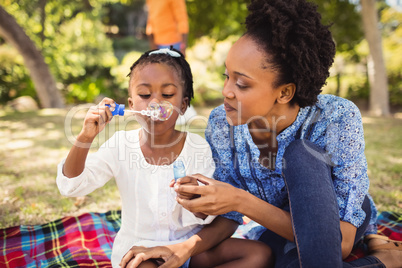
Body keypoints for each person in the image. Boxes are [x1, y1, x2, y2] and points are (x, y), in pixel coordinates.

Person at [120, 1, 402, 268]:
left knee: (301, 153)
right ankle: (383, 260)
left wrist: (240, 200)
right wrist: (184, 245)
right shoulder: (222, 123)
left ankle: (385, 257)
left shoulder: (336, 118)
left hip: (335, 225)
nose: (226, 91)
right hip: (278, 230)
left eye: (242, 84)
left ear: (285, 92)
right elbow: (230, 217)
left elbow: (336, 244)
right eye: (226, 76)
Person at [56, 48, 273, 268]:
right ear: (131, 105)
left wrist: (195, 202)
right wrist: (85, 137)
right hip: (141, 251)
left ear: (183, 105)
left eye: (167, 95)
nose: (155, 103)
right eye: (144, 95)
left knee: (258, 254)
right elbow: (72, 186)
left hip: (190, 248)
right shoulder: (120, 146)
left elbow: (208, 215)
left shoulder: (199, 148)